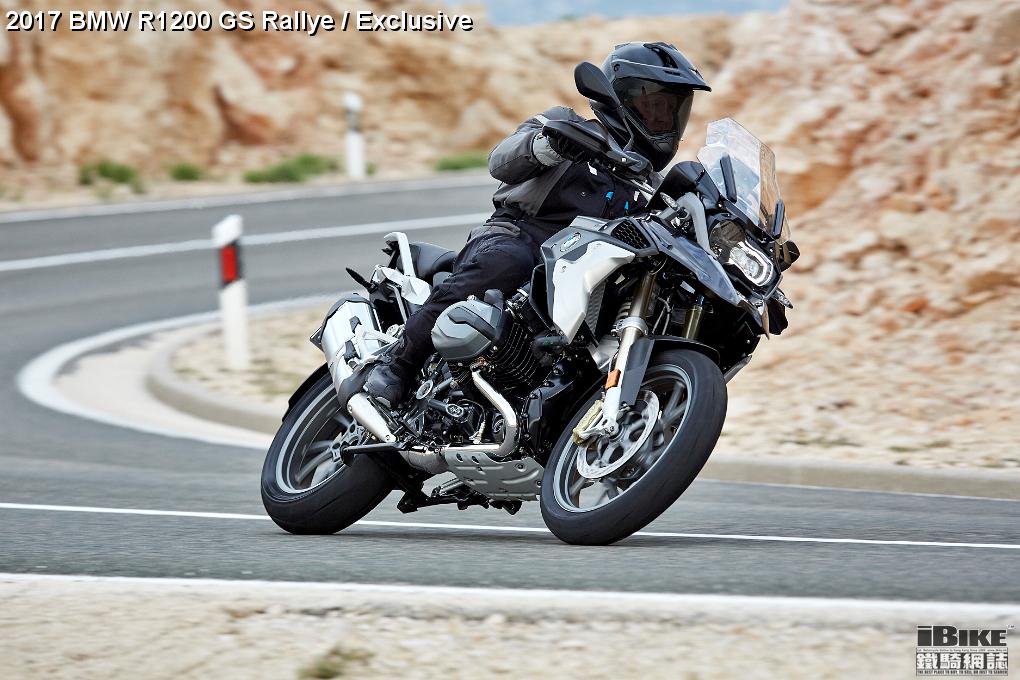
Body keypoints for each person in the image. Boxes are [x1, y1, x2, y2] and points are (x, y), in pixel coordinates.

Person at [364, 41, 711, 406]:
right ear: (621, 98)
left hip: (583, 273)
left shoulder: (652, 185)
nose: (663, 118)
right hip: (522, 236)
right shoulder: (565, 125)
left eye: (672, 109)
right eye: (654, 104)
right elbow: (500, 162)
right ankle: (398, 364)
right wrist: (549, 145)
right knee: (508, 261)